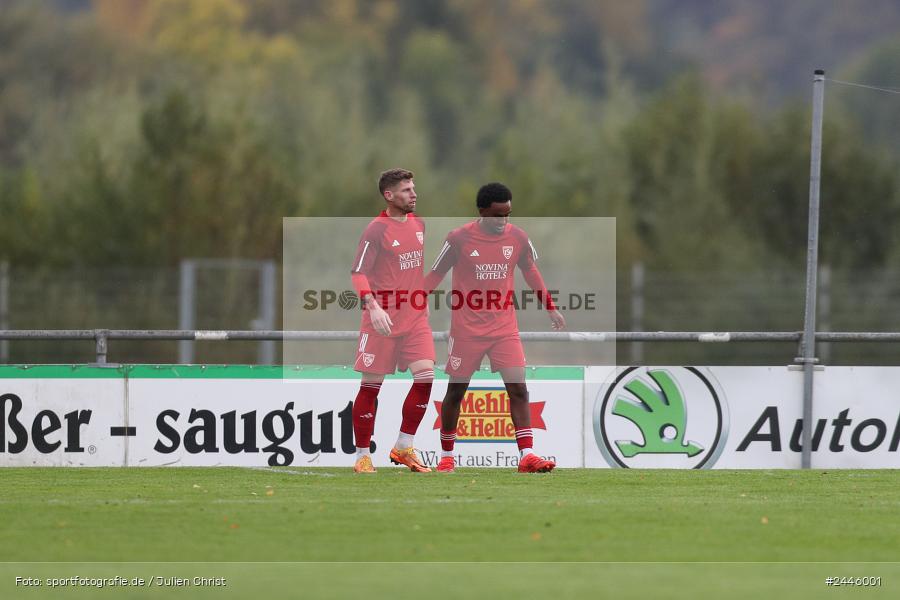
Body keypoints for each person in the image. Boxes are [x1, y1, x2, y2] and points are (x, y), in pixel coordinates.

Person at [424, 182, 566, 473]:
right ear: (482, 212)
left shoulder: (519, 238)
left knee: (518, 389)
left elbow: (531, 271)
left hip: (504, 329)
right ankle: (447, 456)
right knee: (456, 393)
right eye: (498, 216)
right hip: (466, 330)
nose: (504, 222)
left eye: (508, 215)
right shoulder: (458, 239)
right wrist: (411, 301)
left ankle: (527, 455)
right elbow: (436, 273)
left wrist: (550, 307)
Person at [349, 168, 434, 473]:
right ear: (389, 195)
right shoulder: (376, 229)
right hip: (381, 321)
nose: (414, 194)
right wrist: (372, 306)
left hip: (415, 318)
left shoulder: (419, 224)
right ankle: (362, 456)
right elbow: (358, 273)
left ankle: (403, 447)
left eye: (413, 188)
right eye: (406, 190)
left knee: (425, 377)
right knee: (371, 387)